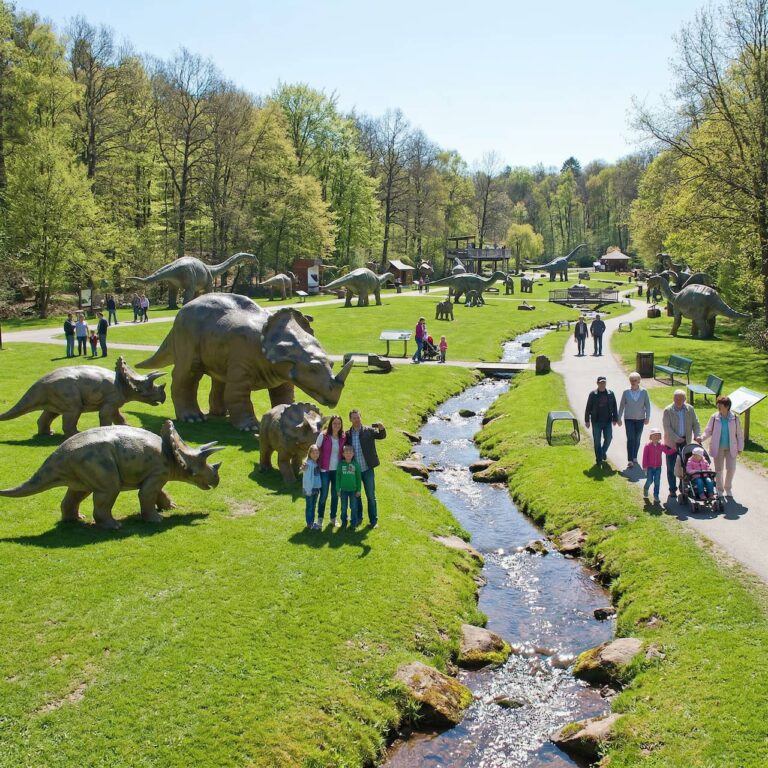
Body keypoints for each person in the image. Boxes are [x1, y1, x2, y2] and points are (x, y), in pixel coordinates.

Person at [345, 409, 386, 528]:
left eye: (358, 417)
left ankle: (373, 521)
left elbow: (381, 436)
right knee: (356, 495)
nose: (356, 420)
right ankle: (358, 518)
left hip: (367, 469)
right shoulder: (348, 435)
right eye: (354, 418)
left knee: (371, 496)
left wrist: (382, 427)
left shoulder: (369, 431)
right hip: (354, 471)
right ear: (350, 420)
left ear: (361, 418)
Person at [662, 389, 701, 501]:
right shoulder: (668, 410)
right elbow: (667, 427)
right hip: (671, 443)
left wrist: (697, 435)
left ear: (685, 399)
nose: (678, 401)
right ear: (673, 399)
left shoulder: (690, 409)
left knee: (684, 466)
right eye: (676, 398)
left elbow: (696, 423)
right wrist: (676, 438)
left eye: (681, 399)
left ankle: (682, 487)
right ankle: (672, 490)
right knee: (671, 467)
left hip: (686, 442)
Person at [701, 396, 745, 497]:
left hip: (731, 448)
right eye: (718, 404)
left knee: (731, 468)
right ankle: (719, 489)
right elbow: (708, 430)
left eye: (720, 404)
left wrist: (740, 447)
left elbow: (739, 434)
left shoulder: (735, 418)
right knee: (719, 470)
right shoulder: (714, 417)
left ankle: (728, 488)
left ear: (727, 406)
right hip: (718, 447)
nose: (718, 406)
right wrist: (701, 438)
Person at [617, 372, 651, 468]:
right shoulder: (626, 392)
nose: (633, 382)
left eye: (635, 380)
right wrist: (619, 418)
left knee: (637, 438)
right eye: (631, 380)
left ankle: (635, 456)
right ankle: (630, 459)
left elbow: (647, 405)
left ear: (639, 381)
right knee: (630, 438)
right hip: (629, 419)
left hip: (640, 419)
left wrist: (647, 417)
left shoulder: (644, 392)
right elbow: (622, 405)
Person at [316, 415, 345, 527]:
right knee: (323, 495)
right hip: (325, 470)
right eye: (334, 423)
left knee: (335, 495)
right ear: (330, 424)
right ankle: (320, 519)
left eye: (339, 423)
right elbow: (315, 450)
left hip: (337, 471)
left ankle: (333, 518)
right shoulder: (323, 436)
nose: (337, 425)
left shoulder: (342, 437)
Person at [584, 375, 618, 465]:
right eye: (601, 382)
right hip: (596, 421)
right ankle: (599, 460)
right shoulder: (593, 394)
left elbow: (614, 406)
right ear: (597, 383)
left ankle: (602, 452)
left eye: (604, 382)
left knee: (609, 438)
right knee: (597, 441)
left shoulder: (611, 393)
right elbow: (588, 407)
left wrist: (615, 418)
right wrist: (587, 420)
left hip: (607, 421)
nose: (602, 384)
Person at [641, 427, 676, 503]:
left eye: (658, 435)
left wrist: (674, 449)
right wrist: (645, 467)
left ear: (660, 437)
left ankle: (656, 495)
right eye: (654, 435)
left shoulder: (661, 445)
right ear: (651, 437)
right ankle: (646, 488)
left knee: (657, 481)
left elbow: (667, 452)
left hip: (658, 467)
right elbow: (644, 457)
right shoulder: (647, 446)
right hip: (650, 467)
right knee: (650, 480)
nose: (656, 437)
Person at [336, 444, 362, 528]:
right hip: (343, 490)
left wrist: (358, 490)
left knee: (353, 507)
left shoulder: (356, 465)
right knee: (343, 507)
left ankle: (353, 523)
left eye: (350, 452)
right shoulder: (340, 465)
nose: (348, 454)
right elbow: (338, 477)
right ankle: (344, 522)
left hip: (353, 490)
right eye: (346, 452)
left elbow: (358, 478)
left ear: (353, 454)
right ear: (343, 454)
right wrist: (338, 489)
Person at [302, 445, 323, 530]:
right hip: (310, 489)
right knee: (309, 506)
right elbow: (307, 479)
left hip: (316, 489)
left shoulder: (315, 463)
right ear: (309, 453)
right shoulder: (308, 464)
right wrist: (308, 490)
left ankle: (311, 522)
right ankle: (309, 523)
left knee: (313, 506)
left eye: (317, 452)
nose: (315, 454)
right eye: (313, 453)